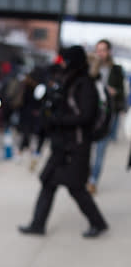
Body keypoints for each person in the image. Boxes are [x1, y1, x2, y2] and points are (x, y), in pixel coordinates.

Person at [18, 45, 108, 239]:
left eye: (65, 60)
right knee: (48, 182)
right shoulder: (68, 80)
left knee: (76, 188)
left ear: (74, 61)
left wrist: (57, 119)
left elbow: (86, 117)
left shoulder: (85, 84)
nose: (63, 63)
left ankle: (98, 223)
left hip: (76, 146)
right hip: (62, 145)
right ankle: (37, 224)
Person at [87, 39, 125, 194]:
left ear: (109, 51)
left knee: (101, 149)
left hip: (108, 112)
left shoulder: (116, 69)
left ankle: (93, 180)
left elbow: (122, 91)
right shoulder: (91, 67)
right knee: (87, 148)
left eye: (103, 50)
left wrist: (114, 91)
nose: (100, 53)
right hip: (91, 112)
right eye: (98, 50)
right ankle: (87, 175)